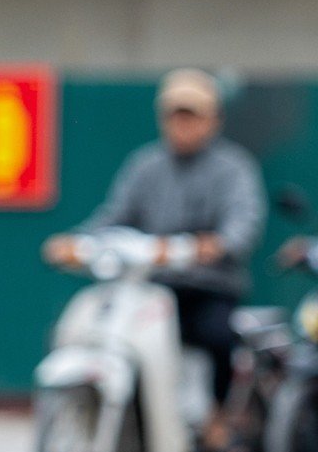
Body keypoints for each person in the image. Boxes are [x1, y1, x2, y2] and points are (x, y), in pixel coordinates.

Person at [43, 69, 266, 419]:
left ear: (213, 120)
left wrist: (213, 245)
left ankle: (219, 419)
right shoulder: (145, 165)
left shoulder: (233, 168)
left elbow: (242, 225)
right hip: (151, 288)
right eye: (175, 116)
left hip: (208, 289)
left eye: (192, 116)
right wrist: (76, 241)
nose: (183, 125)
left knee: (219, 335)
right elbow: (113, 218)